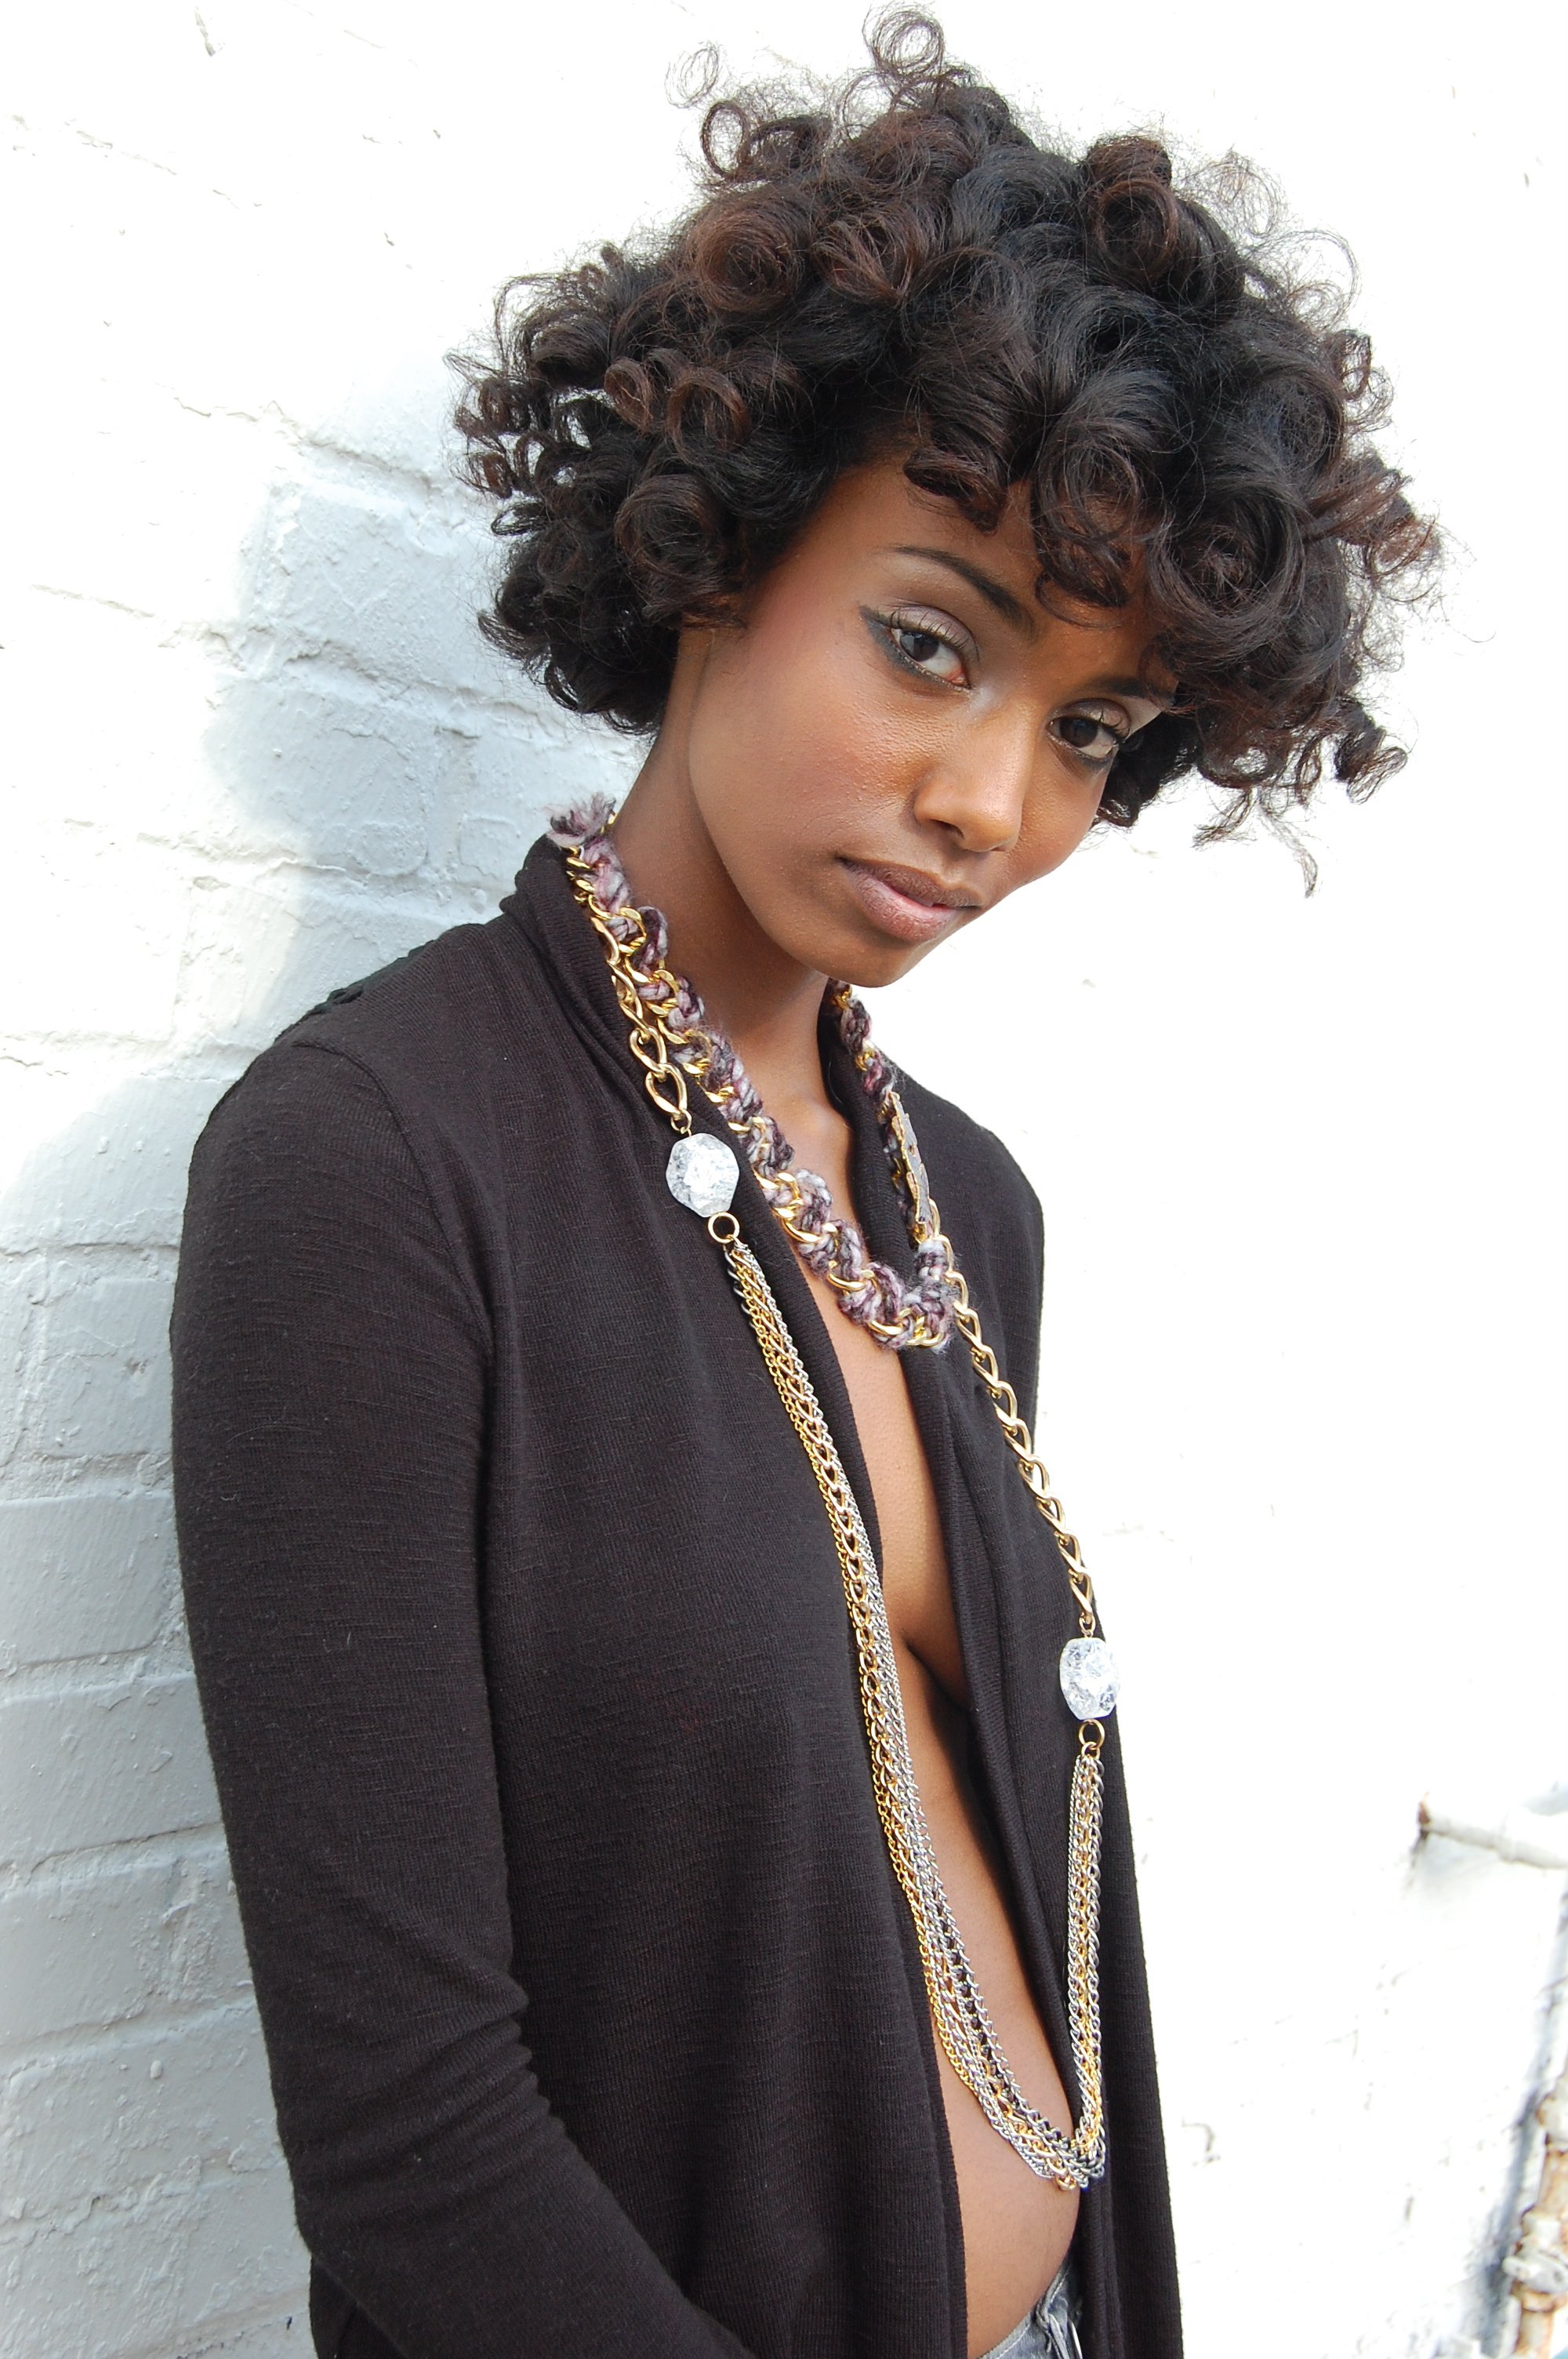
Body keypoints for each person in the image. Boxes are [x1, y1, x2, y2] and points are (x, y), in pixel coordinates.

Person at [170, 17, 1433, 2359]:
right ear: (716, 545)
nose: (994, 805)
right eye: (929, 642)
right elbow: (409, 2138)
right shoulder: (379, 1170)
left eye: (1090, 731)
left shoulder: (969, 1204)